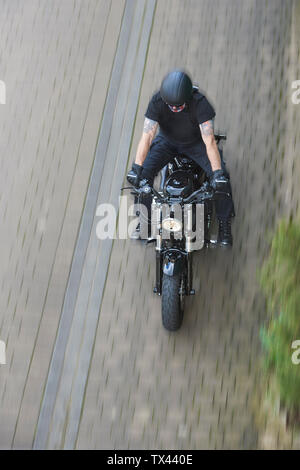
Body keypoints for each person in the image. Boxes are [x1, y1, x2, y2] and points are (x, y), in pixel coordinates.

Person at [127, 69, 235, 246]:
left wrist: (217, 174)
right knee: (141, 180)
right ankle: (144, 220)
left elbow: (209, 141)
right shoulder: (157, 100)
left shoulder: (200, 103)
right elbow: (147, 135)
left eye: (179, 106)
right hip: (167, 142)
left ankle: (224, 223)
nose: (175, 109)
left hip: (196, 143)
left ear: (187, 97)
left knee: (223, 180)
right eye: (171, 106)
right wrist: (136, 168)